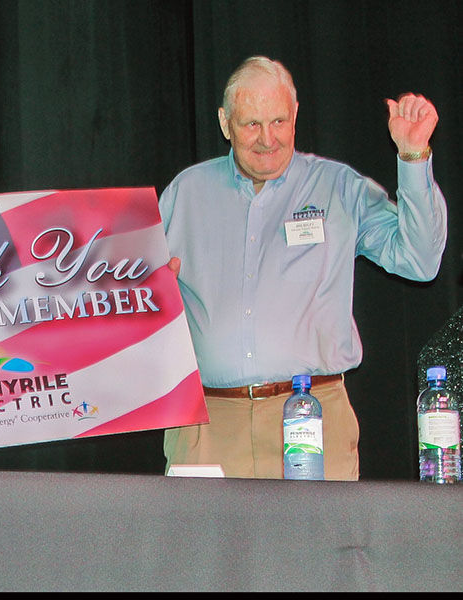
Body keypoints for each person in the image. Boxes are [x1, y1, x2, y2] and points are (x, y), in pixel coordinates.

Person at [159, 56, 446, 480]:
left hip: (311, 417)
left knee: (315, 548)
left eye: (278, 121)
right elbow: (133, 296)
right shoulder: (186, 192)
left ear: (295, 115)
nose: (267, 139)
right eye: (250, 124)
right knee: (201, 548)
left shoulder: (339, 187)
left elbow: (420, 261)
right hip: (207, 425)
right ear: (225, 123)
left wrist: (413, 156)